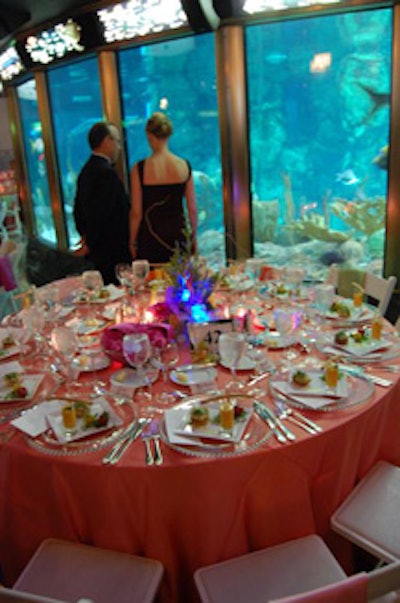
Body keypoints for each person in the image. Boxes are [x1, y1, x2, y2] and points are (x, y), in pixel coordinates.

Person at [129, 112, 197, 264]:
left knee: (151, 285)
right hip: (178, 236)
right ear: (169, 135)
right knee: (179, 284)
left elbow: (136, 212)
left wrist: (132, 241)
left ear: (149, 135)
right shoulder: (184, 166)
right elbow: (192, 208)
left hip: (150, 237)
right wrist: (193, 237)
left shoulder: (139, 169)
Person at [73, 121, 131, 284]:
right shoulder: (105, 174)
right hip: (111, 249)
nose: (119, 147)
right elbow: (102, 214)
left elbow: (78, 210)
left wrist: (84, 235)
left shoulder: (86, 170)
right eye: (117, 141)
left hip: (98, 248)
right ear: (107, 141)